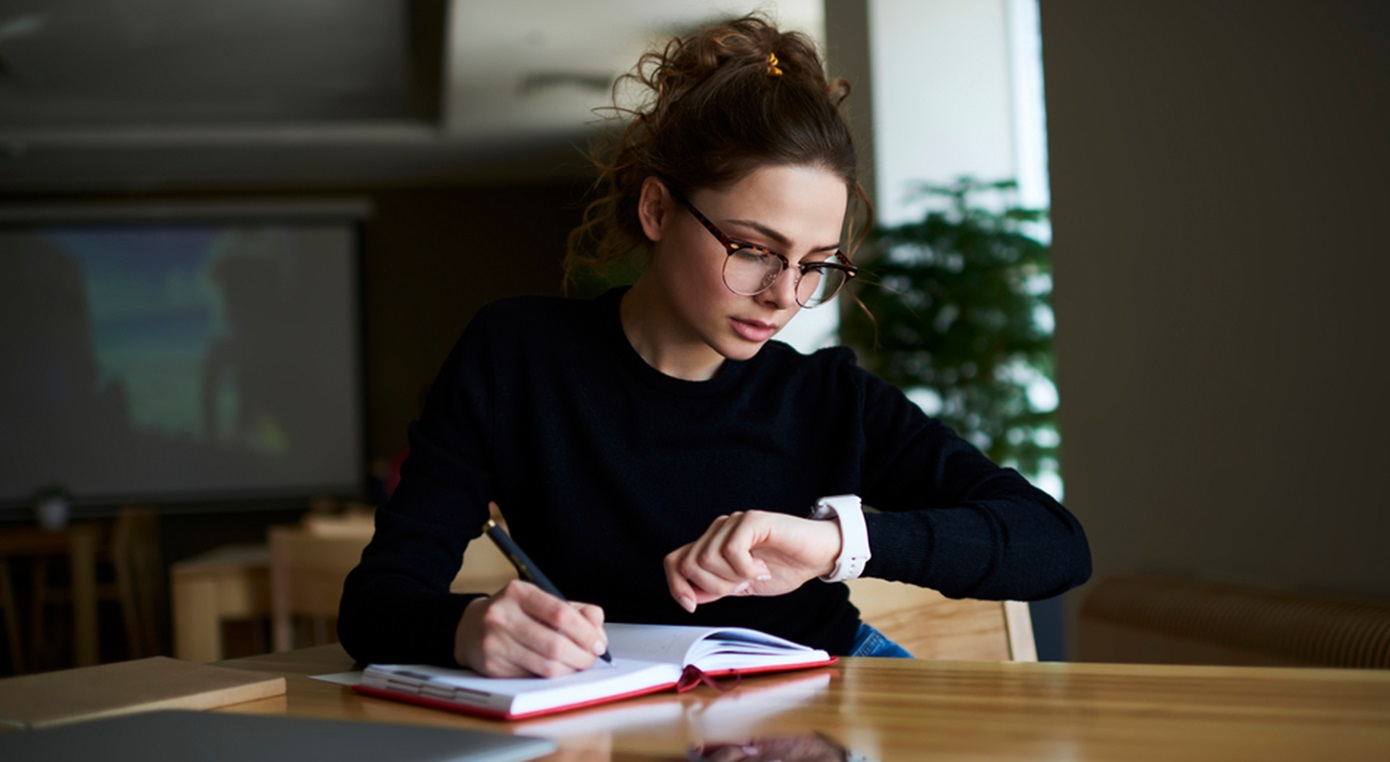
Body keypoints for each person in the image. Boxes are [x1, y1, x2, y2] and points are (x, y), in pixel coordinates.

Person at [338, 14, 1089, 678]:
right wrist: (468, 628)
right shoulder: (517, 356)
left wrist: (834, 543)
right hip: (614, 701)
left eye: (815, 264)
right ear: (658, 208)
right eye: (755, 249)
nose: (784, 295)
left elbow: (1054, 543)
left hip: (826, 689)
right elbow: (376, 605)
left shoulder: (827, 396)